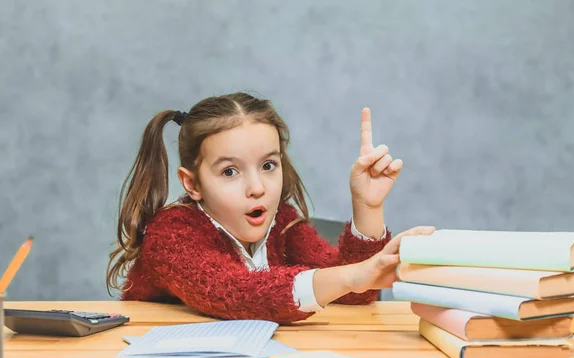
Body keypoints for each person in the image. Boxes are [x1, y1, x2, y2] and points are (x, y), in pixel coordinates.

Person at [106, 92, 434, 324]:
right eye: (230, 172)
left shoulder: (282, 222)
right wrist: (351, 276)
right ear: (192, 184)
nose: (257, 188)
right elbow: (235, 292)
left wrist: (367, 205)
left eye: (268, 165)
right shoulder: (171, 233)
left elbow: (355, 291)